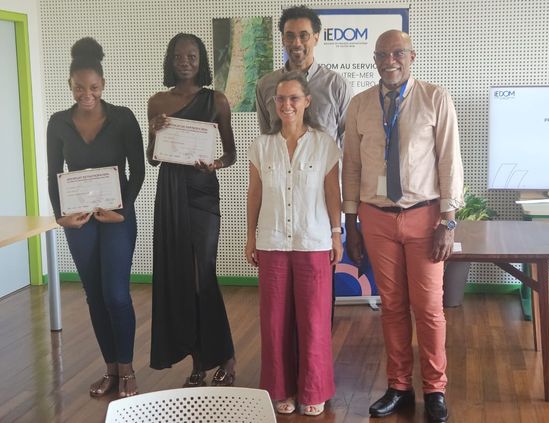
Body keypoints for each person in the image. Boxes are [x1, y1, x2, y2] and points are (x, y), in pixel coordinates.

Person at [342, 30, 464, 422]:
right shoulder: (360, 105)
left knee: (428, 308)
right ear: (375, 60)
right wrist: (351, 223)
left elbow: (449, 161)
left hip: (425, 217)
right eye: (381, 54)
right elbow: (352, 166)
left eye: (397, 53)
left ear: (412, 56)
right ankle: (398, 386)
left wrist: (448, 221)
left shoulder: (435, 98)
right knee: (392, 306)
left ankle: (435, 389)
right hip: (376, 217)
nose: (389, 61)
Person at [47, 37, 145, 398]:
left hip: (116, 218)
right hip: (80, 222)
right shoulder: (58, 123)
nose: (86, 94)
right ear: (70, 86)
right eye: (79, 87)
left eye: (93, 87)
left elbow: (138, 171)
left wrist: (123, 210)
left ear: (103, 85)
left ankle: (127, 368)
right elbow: (53, 174)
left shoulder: (123, 118)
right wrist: (61, 217)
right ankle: (111, 370)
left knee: (116, 295)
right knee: (95, 296)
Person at [246, 72, 343, 416]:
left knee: (314, 322)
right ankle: (281, 389)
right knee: (275, 323)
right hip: (272, 241)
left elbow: (332, 193)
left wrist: (336, 233)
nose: (286, 105)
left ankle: (314, 389)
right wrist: (250, 236)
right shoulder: (262, 145)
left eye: (293, 98)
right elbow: (254, 194)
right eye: (281, 99)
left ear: (307, 102)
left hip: (313, 241)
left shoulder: (324, 144)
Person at [147, 33, 237, 387]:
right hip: (170, 193)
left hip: (203, 194)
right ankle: (198, 362)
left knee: (203, 276)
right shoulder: (157, 101)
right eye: (178, 56)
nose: (185, 61)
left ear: (201, 61)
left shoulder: (217, 99)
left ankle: (226, 356)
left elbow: (230, 153)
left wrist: (216, 164)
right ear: (170, 60)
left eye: (192, 56)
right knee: (180, 277)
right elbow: (153, 159)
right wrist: (154, 133)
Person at [255, 5, 352, 147]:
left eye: (303, 35)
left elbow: (349, 141)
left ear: (316, 38)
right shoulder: (265, 85)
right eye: (290, 36)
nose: (296, 43)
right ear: (282, 39)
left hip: (326, 162)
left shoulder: (337, 85)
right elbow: (267, 138)